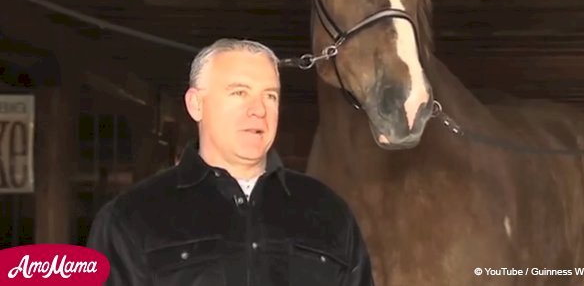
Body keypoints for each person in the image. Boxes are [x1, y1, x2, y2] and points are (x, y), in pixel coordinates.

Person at [86, 38, 375, 286]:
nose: (258, 110)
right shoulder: (130, 218)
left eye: (270, 96)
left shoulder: (328, 211)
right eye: (239, 93)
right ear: (195, 104)